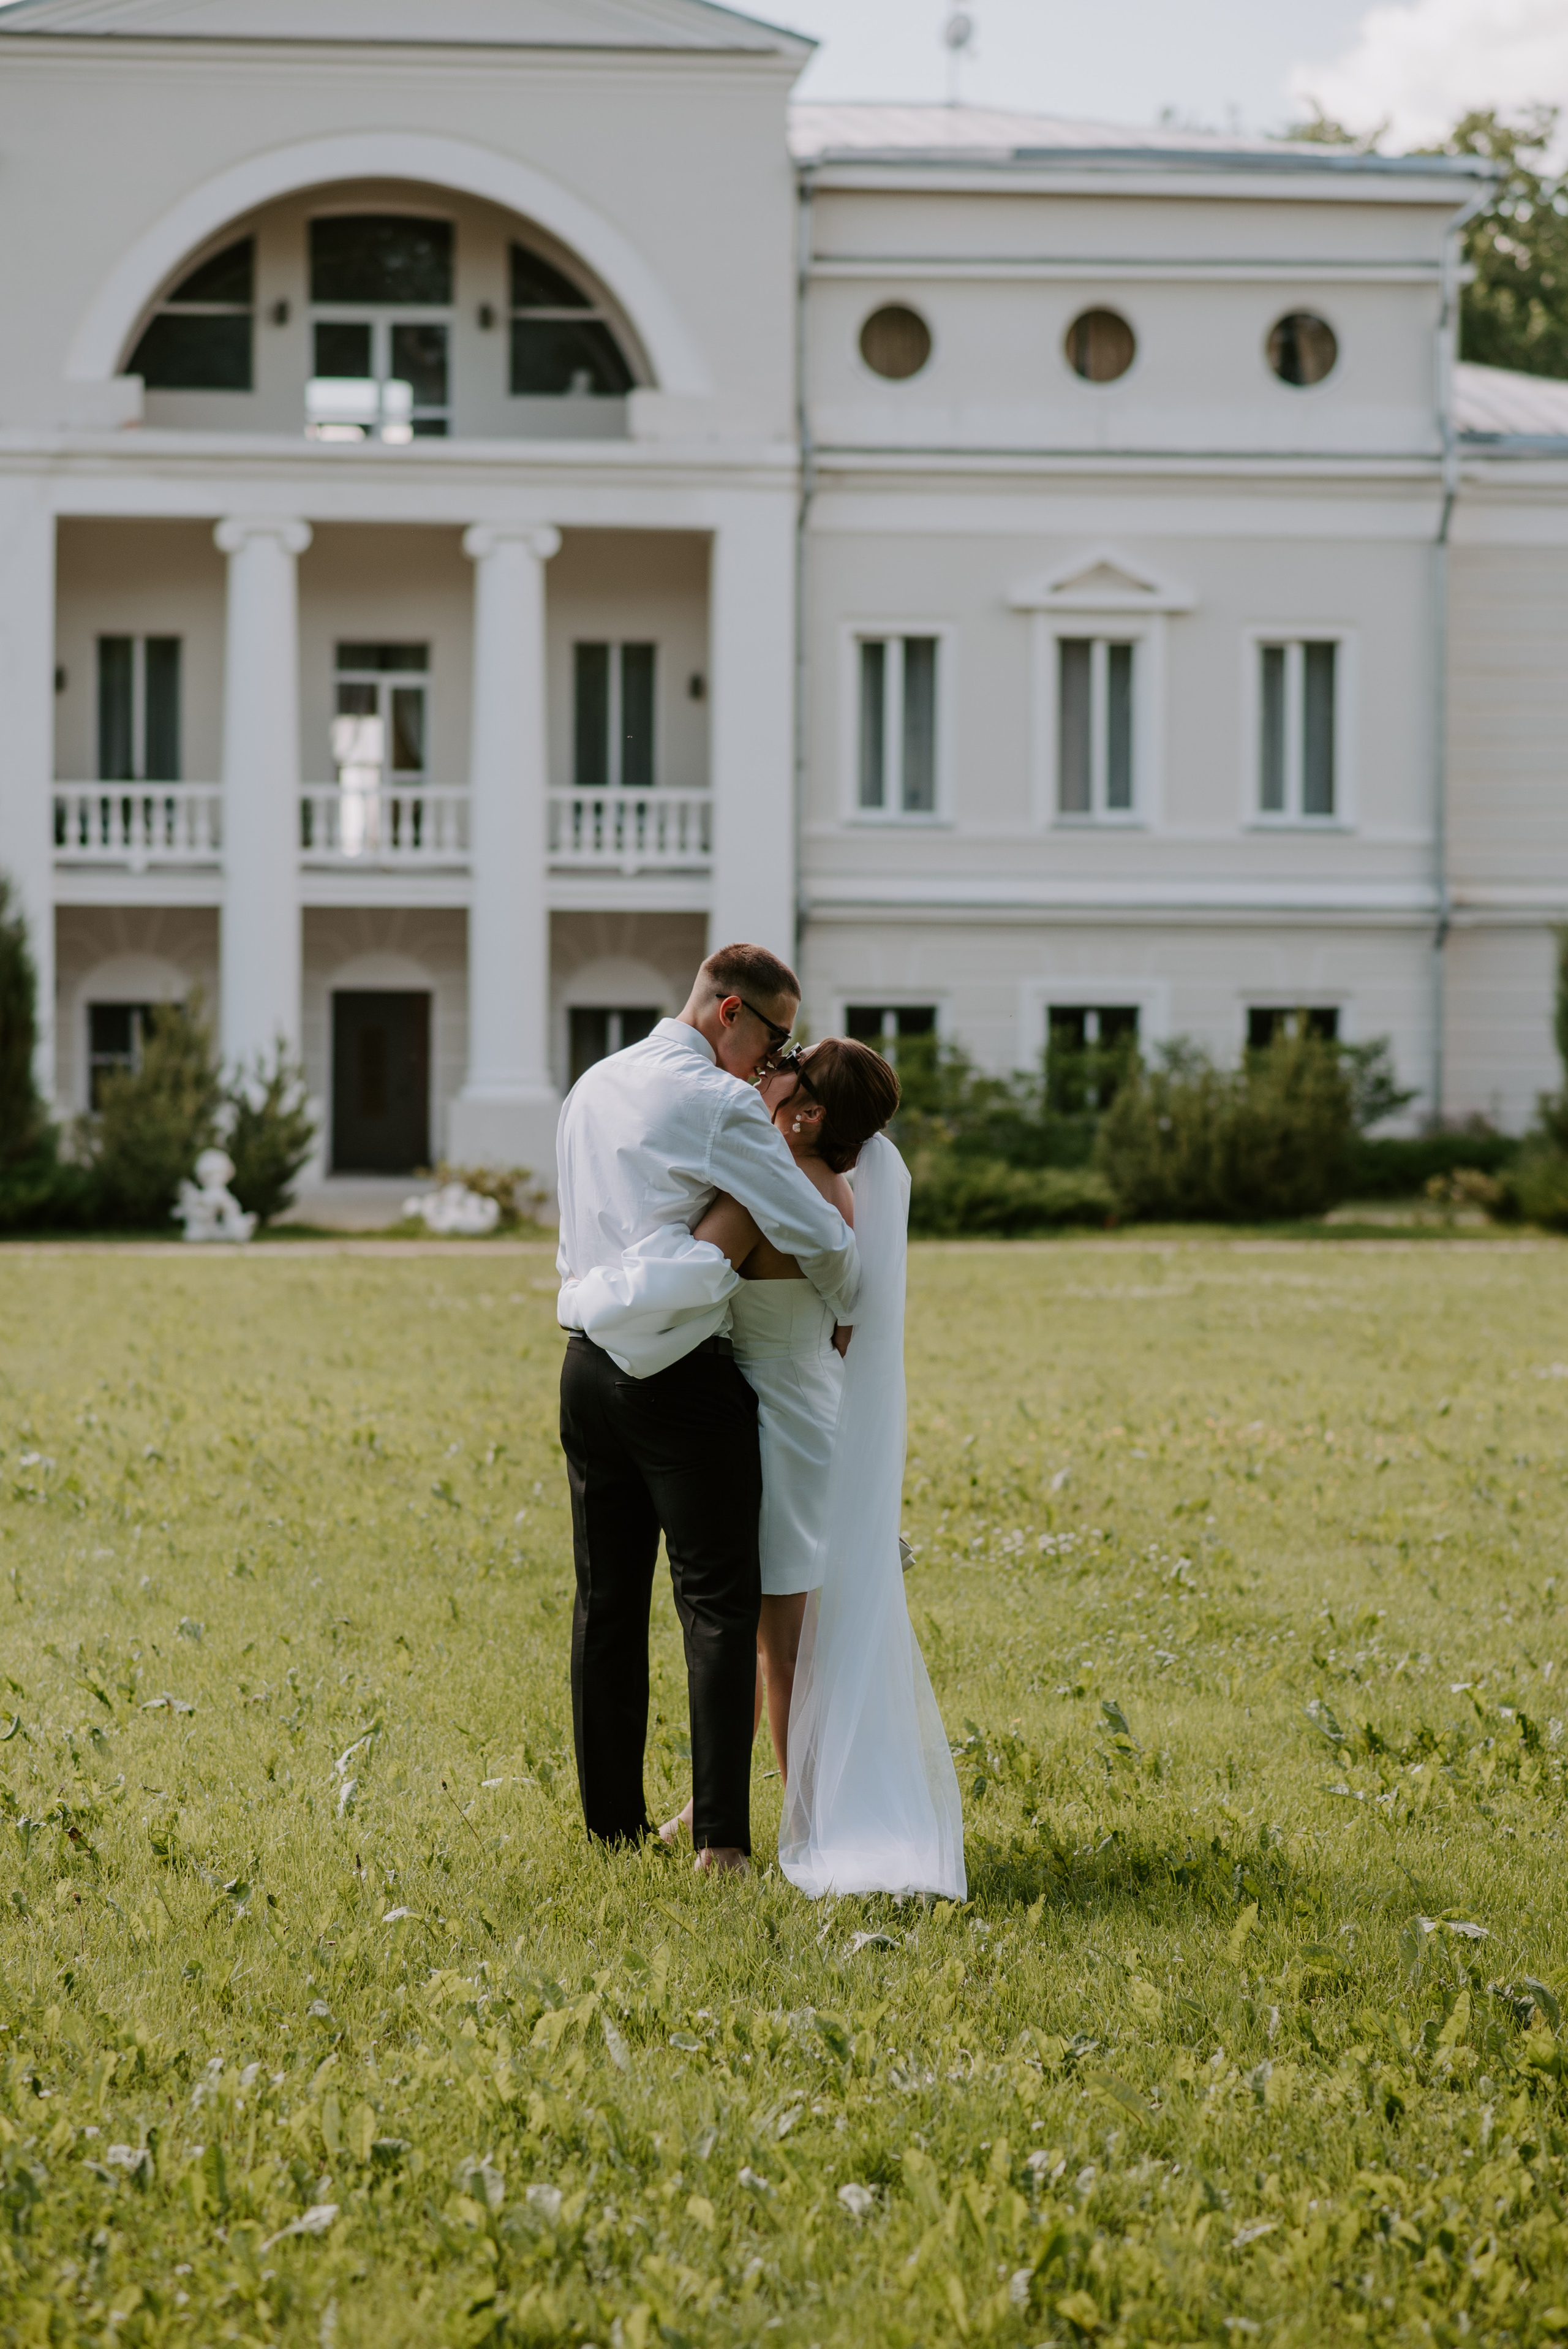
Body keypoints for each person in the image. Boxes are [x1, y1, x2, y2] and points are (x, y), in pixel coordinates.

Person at [554, 944, 859, 1877]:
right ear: (730, 1012)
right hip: (682, 1374)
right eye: (775, 1040)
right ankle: (722, 1841)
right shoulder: (720, 1103)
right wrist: (850, 1298)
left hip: (583, 1367)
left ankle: (612, 1828)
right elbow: (811, 1229)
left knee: (605, 1603)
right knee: (719, 1606)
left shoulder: (594, 1084)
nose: (776, 1066)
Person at [660, 1039, 967, 1902]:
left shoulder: (775, 1196)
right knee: (780, 1637)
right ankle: (710, 1804)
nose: (767, 1074)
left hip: (783, 1425)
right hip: (812, 1408)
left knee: (779, 1645)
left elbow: (684, 1271)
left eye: (787, 1071)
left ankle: (811, 1824)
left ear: (810, 1113)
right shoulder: (836, 1191)